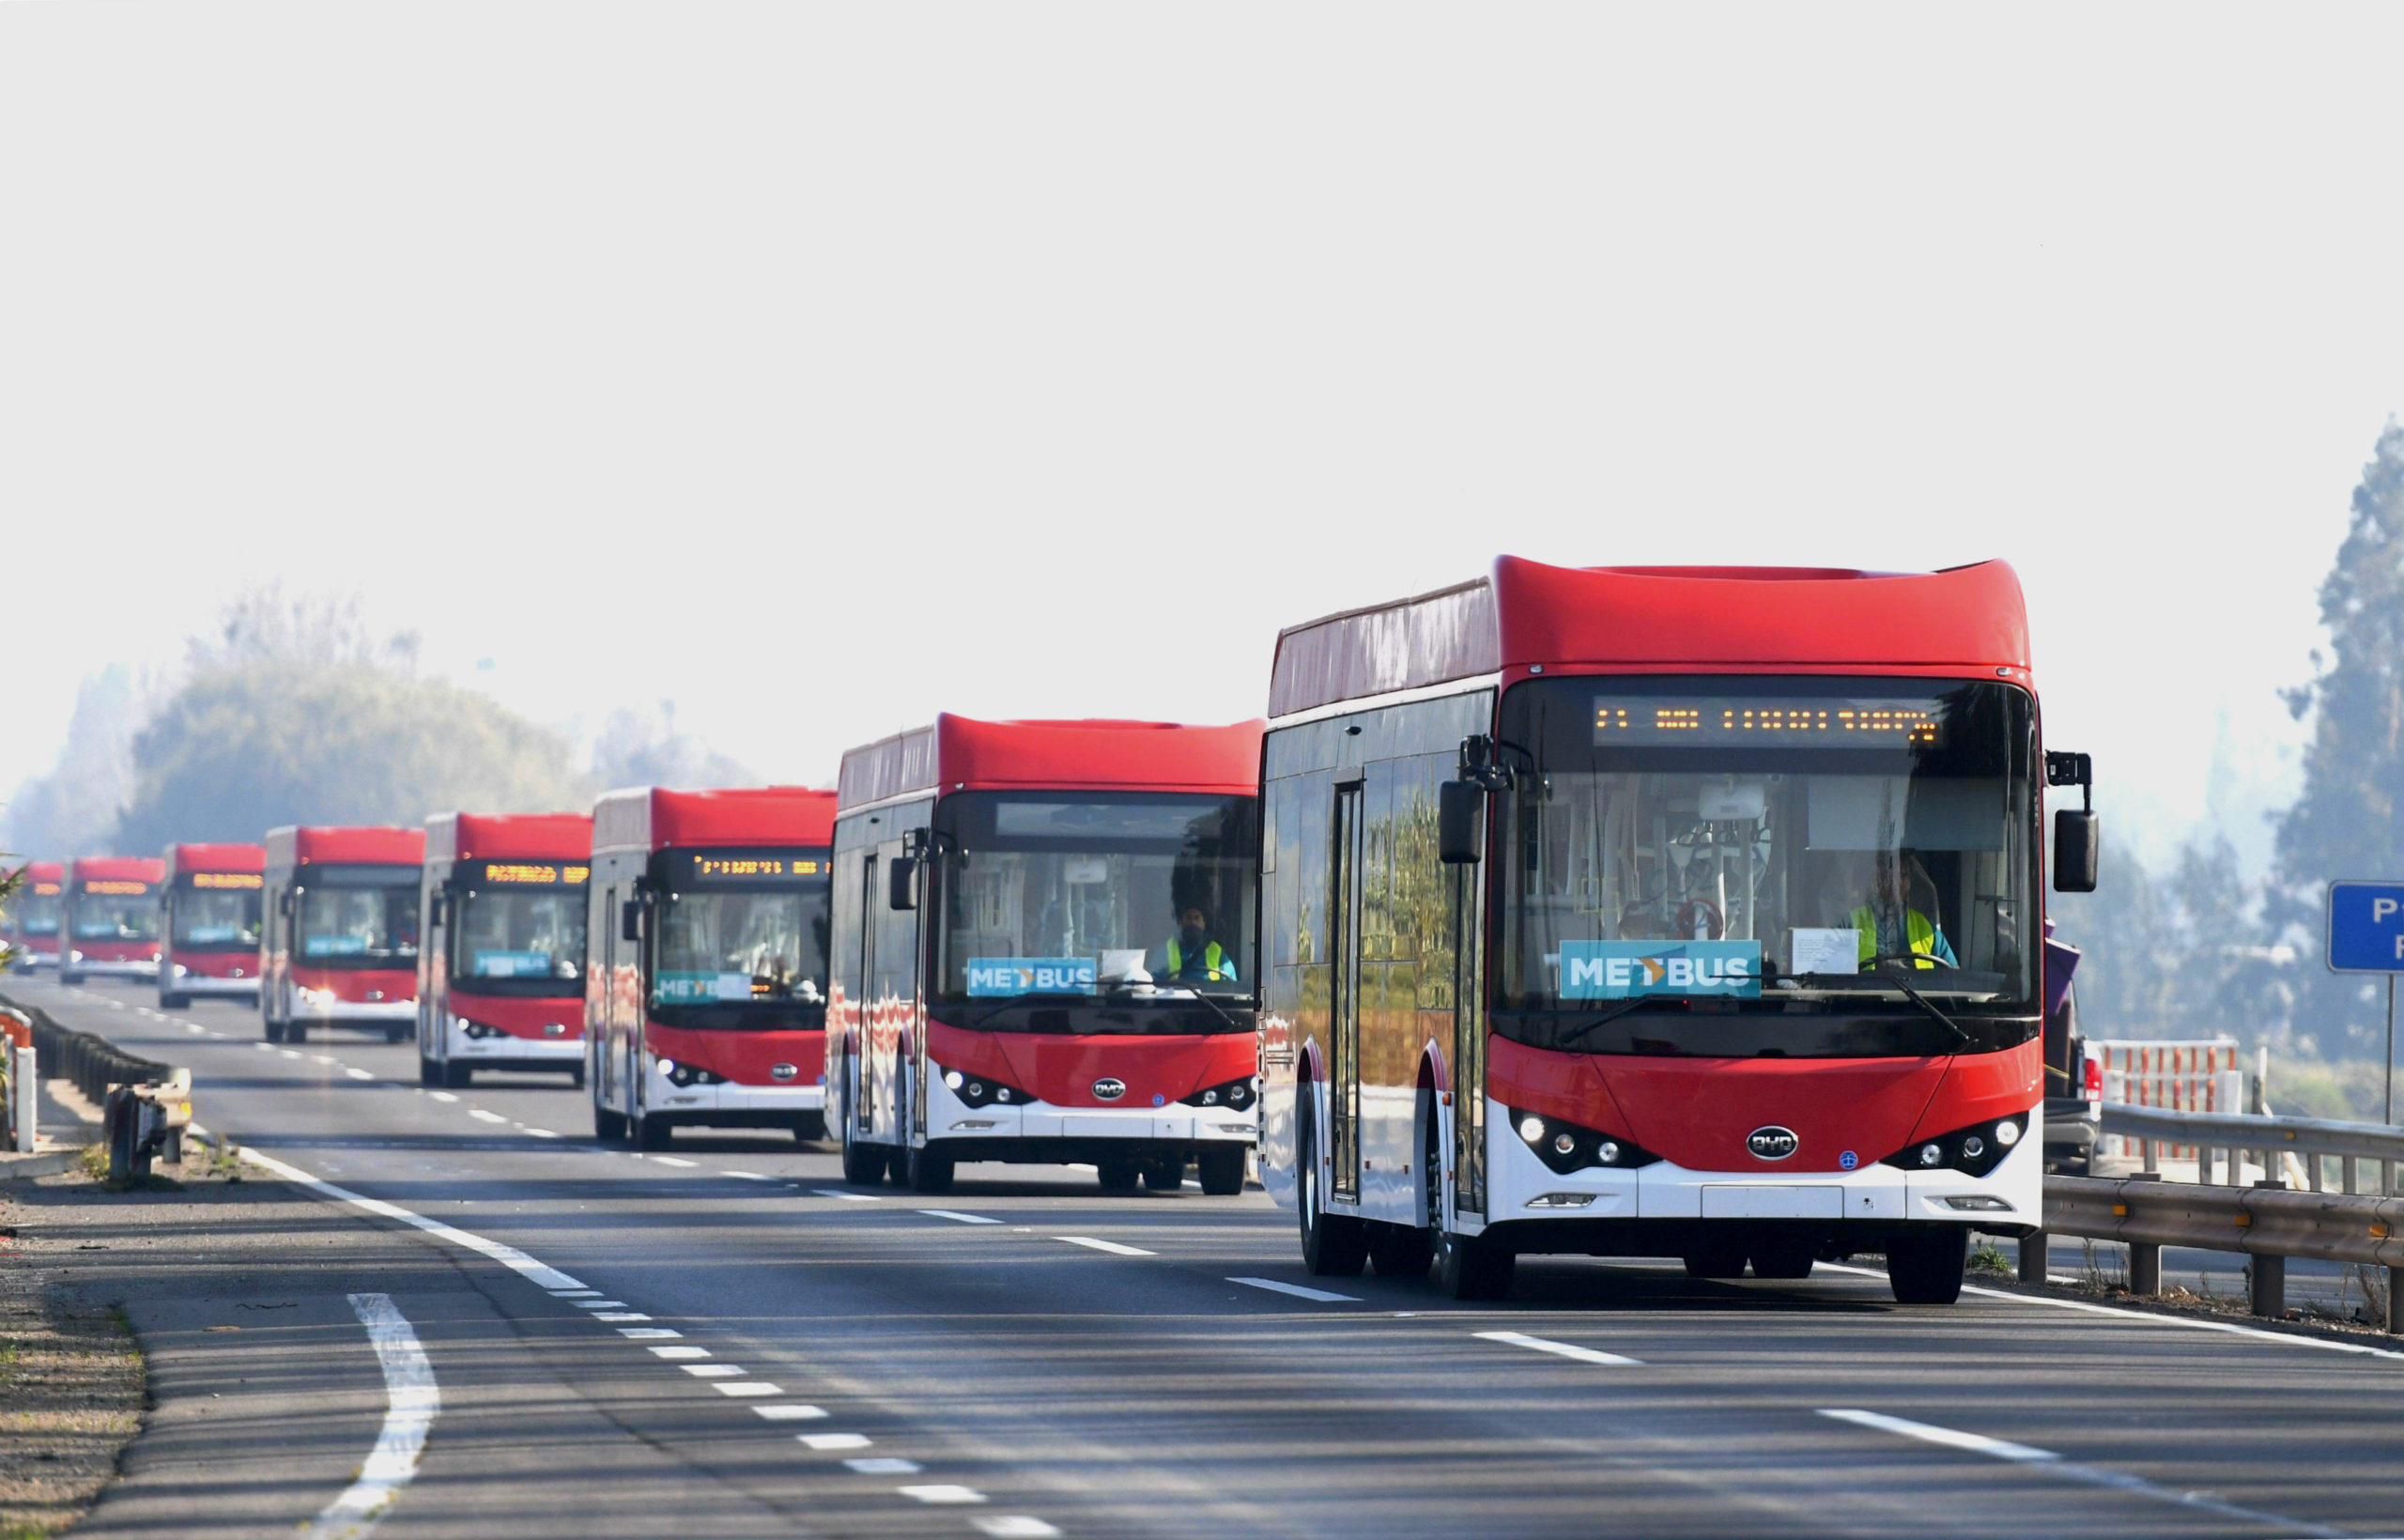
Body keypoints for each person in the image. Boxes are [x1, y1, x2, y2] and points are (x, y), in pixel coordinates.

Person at [1816, 850, 1957, 969]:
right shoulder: (1849, 924)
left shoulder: (1927, 931)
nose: (1897, 882)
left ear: (1909, 882)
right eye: (1889, 875)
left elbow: (1953, 979)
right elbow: (1824, 974)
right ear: (1876, 880)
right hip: (1862, 1001)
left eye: (1903, 875)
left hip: (1919, 1002)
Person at [1154, 902, 1239, 985]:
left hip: (1208, 999)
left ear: (1204, 923)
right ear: (1181, 923)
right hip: (1175, 998)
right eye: (1188, 918)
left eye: (1197, 918)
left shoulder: (1217, 953)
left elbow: (1231, 986)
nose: (1193, 922)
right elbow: (1154, 983)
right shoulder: (1166, 951)